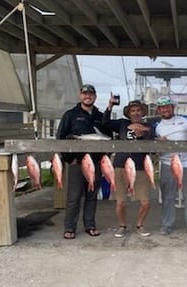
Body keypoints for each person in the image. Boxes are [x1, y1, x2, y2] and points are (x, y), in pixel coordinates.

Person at [56, 84, 110, 239]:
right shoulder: (70, 115)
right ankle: (69, 228)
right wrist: (69, 159)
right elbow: (60, 138)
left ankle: (90, 225)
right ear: (80, 95)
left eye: (91, 93)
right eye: (85, 93)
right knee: (74, 197)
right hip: (77, 163)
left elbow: (109, 139)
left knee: (92, 196)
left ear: (95, 96)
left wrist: (104, 159)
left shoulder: (100, 116)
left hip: (97, 163)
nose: (88, 96)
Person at [154, 96, 187, 235]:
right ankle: (167, 223)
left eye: (168, 106)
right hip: (167, 163)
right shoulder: (156, 126)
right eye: (162, 107)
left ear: (173, 107)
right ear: (158, 109)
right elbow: (152, 143)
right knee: (168, 195)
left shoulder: (186, 119)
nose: (165, 109)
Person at [102, 100, 154, 238]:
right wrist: (110, 106)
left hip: (141, 167)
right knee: (120, 202)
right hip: (120, 165)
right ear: (129, 113)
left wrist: (142, 136)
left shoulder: (149, 127)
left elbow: (152, 144)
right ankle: (122, 225)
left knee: (145, 201)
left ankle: (140, 224)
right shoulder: (122, 124)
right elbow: (105, 122)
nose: (136, 113)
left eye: (138, 110)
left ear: (142, 112)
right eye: (133, 110)